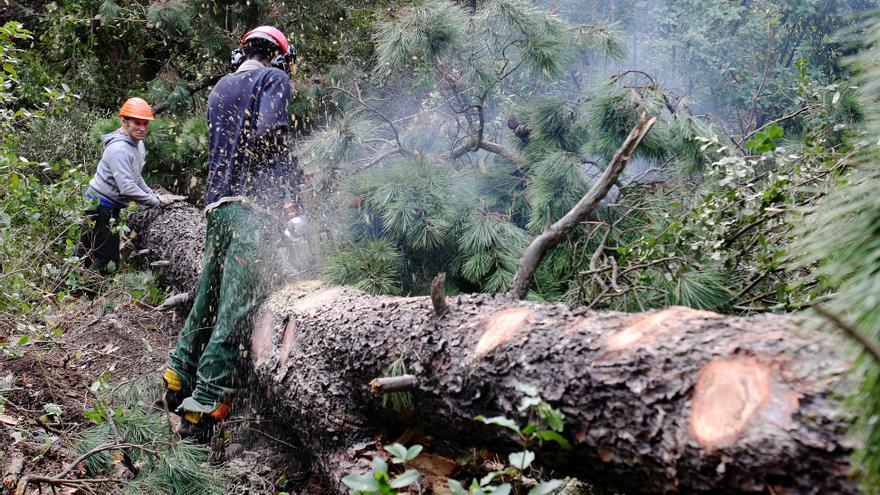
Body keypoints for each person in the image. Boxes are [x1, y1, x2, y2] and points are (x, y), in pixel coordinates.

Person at [157, 25, 301, 437]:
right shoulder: (274, 78)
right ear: (276, 55)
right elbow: (270, 137)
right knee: (236, 305)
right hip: (251, 207)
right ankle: (207, 398)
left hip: (217, 205)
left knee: (208, 292)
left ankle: (178, 372)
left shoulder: (221, 86)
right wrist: (289, 200)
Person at [81, 97, 165, 274]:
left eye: (145, 123)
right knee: (106, 261)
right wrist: (154, 202)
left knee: (85, 253)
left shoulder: (138, 145)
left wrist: (152, 195)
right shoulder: (119, 149)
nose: (142, 128)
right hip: (100, 208)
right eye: (137, 123)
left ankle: (67, 293)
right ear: (124, 121)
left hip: (106, 207)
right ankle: (88, 297)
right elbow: (127, 187)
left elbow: (136, 177)